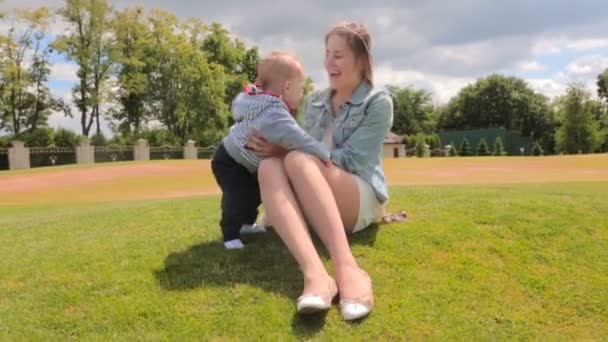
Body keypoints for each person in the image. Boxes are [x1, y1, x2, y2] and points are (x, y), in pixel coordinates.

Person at [247, 22, 393, 320]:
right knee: (270, 166)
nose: (329, 63)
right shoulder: (314, 101)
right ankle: (316, 274)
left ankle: (347, 268)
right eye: (327, 54)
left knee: (296, 159)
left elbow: (352, 159)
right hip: (316, 187)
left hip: (358, 193)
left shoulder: (378, 101)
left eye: (338, 55)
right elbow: (297, 148)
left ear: (361, 60)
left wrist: (291, 151)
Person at [211, 52, 331, 250]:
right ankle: (230, 234)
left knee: (255, 192)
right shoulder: (275, 113)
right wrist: (326, 154)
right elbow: (300, 139)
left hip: (243, 162)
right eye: (301, 89)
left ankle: (247, 224)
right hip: (230, 161)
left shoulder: (260, 101)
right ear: (287, 87)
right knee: (237, 195)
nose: (302, 95)